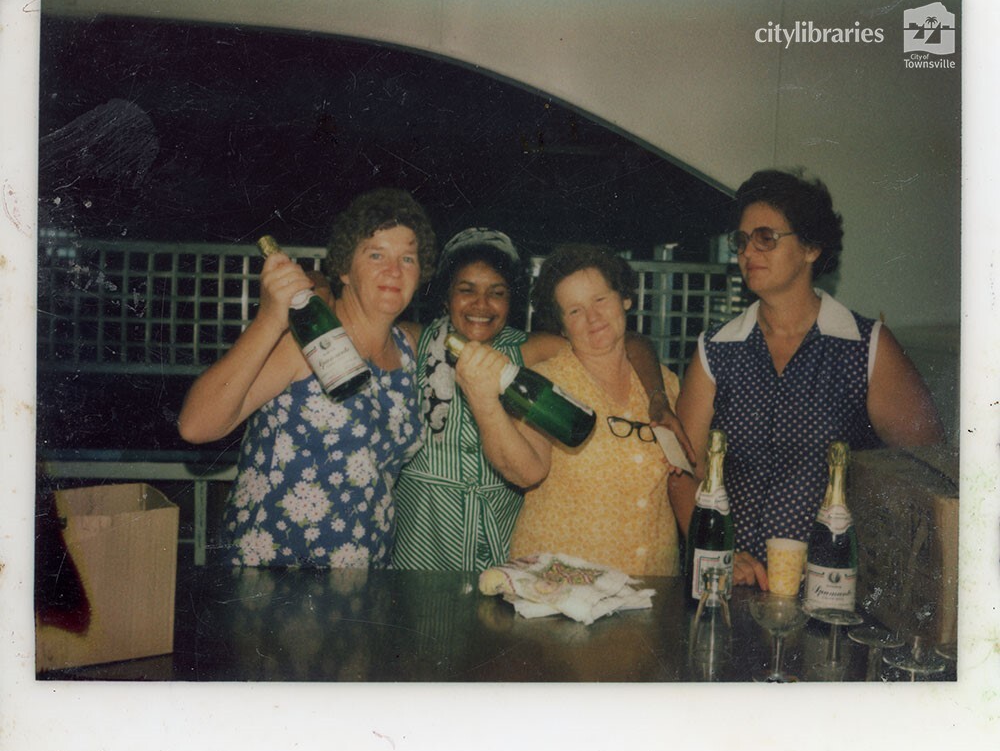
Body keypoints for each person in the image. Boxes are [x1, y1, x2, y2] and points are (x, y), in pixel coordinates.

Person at [667, 169, 944, 590]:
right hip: (733, 584)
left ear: (812, 247)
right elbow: (684, 468)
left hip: (831, 589)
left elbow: (929, 474)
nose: (748, 253)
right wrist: (716, 550)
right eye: (742, 242)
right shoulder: (717, 349)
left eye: (765, 237)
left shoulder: (866, 347)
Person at [391, 229, 692, 574]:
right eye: (466, 290)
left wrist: (657, 398)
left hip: (496, 530)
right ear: (446, 296)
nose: (481, 304)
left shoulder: (528, 350)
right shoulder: (418, 339)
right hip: (426, 530)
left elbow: (621, 343)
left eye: (497, 293)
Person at [177, 188, 436, 568]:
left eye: (407, 258)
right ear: (345, 269)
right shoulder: (308, 342)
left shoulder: (408, 349)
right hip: (274, 575)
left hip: (363, 577)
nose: (394, 271)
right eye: (376, 254)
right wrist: (269, 319)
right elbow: (196, 426)